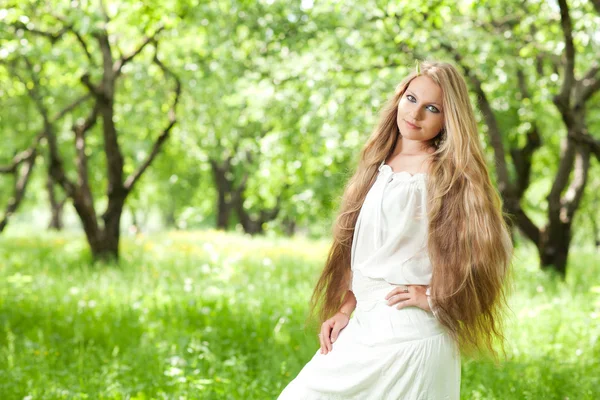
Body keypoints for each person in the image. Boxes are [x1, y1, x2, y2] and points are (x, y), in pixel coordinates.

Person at [277, 60, 514, 399]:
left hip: (410, 333)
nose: (415, 115)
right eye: (411, 98)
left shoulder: (446, 176)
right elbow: (365, 250)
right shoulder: (376, 165)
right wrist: (345, 309)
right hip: (364, 325)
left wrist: (434, 297)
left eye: (431, 108)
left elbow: (492, 252)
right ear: (399, 97)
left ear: (448, 120)